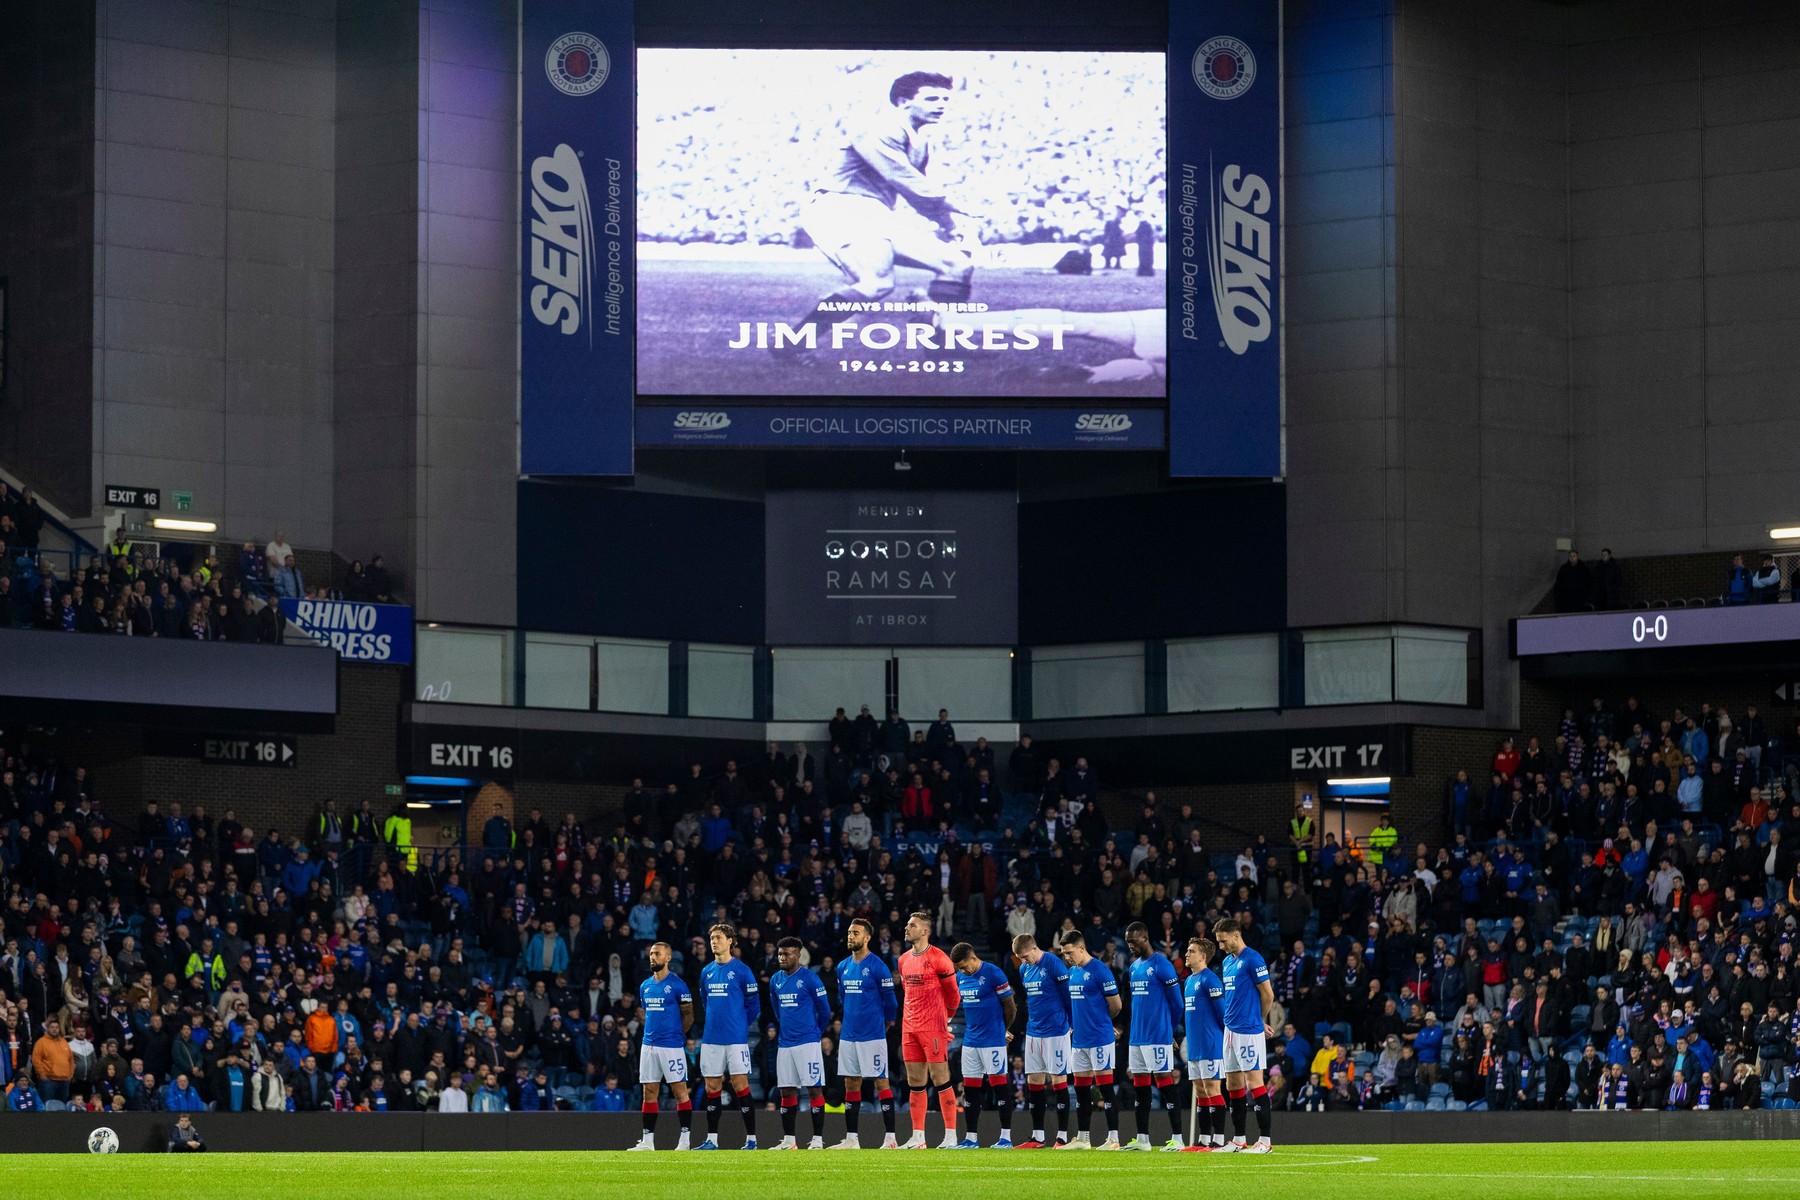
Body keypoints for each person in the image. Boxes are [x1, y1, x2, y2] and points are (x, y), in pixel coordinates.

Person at [783, 71, 975, 353]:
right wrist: (956, 205)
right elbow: (902, 178)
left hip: (875, 213)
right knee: (877, 283)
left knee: (957, 265)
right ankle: (792, 345)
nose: (941, 104)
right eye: (932, 98)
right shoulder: (880, 129)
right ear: (903, 102)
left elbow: (920, 196)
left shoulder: (920, 141)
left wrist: (952, 227)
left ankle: (942, 345)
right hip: (839, 208)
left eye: (946, 99)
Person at [896, 909, 962, 1150]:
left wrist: (945, 1019)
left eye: (911, 925)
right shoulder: (903, 960)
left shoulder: (939, 958)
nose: (906, 928)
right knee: (915, 1081)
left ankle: (951, 1135)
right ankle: (917, 1137)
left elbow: (954, 995)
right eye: (907, 924)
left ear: (924, 931)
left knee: (941, 1078)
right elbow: (907, 991)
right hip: (909, 1026)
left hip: (932, 1027)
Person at [832, 917, 900, 1149]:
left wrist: (886, 1024)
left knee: (881, 1083)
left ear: (868, 937)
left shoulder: (878, 966)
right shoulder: (842, 966)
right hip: (849, 1035)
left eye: (856, 933)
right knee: (851, 1085)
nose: (851, 936)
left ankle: (890, 1138)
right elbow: (842, 997)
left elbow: (891, 1003)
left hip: (872, 1036)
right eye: (850, 932)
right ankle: (851, 1139)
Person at [694, 923, 762, 1150]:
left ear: (731, 941)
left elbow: (753, 1004)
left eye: (719, 937)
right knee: (712, 1087)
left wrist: (740, 1024)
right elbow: (705, 1001)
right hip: (712, 1037)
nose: (714, 941)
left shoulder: (742, 970)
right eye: (712, 937)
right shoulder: (707, 972)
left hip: (735, 1038)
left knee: (740, 1084)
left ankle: (751, 1139)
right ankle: (711, 1140)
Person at [1122, 920, 1188, 1150]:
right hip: (1136, 1037)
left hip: (1157, 1036)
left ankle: (1178, 1139)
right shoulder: (1134, 967)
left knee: (1165, 1084)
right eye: (1127, 941)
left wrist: (1168, 1032)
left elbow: (1177, 1004)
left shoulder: (1162, 964)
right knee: (1140, 1086)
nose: (1130, 945)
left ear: (1145, 938)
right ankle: (1142, 1139)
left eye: (1133, 941)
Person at [1214, 918, 1274, 1153]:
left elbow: (1267, 994)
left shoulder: (1253, 958)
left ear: (1236, 935)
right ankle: (1239, 1139)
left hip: (1249, 1031)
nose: (1221, 946)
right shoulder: (1228, 962)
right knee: (1233, 1085)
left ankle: (1265, 1142)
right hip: (1229, 1030)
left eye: (1223, 941)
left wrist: (1259, 1020)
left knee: (1254, 1083)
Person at [629, 940, 695, 1152]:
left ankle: (685, 1140)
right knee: (649, 1092)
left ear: (668, 957)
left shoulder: (678, 985)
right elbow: (648, 1013)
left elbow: (689, 1016)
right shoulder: (645, 986)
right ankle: (648, 1142)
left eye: (657, 954)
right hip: (648, 1046)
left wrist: (675, 1036)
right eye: (651, 954)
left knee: (679, 1091)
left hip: (671, 1047)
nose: (653, 957)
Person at [1059, 930, 1122, 1150]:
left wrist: (1102, 1022)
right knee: (1082, 1091)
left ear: (1081, 948)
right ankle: (1083, 1139)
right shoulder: (1073, 972)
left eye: (1069, 952)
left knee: (1105, 1090)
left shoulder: (1100, 970)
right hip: (1079, 1042)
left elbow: (1116, 1005)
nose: (1067, 956)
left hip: (1099, 1039)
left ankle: (1113, 1139)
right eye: (1064, 953)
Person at [951, 942, 1017, 1149]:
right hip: (970, 1042)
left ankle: (1006, 1137)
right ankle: (971, 1138)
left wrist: (1003, 1030)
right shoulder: (960, 977)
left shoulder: (993, 973)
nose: (963, 971)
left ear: (973, 957)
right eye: (959, 968)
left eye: (964, 966)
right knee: (970, 1091)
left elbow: (1010, 1007)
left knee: (1000, 1089)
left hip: (992, 1042)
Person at [769, 936, 832, 1150]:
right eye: (779, 954)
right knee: (787, 1091)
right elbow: (776, 1009)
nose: (782, 957)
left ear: (798, 954)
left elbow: (824, 1010)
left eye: (786, 953)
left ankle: (817, 1140)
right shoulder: (775, 980)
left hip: (807, 1043)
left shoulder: (810, 978)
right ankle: (789, 1141)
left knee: (814, 1090)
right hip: (785, 1044)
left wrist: (816, 1032)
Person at [1014, 931, 1073, 1148]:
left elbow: (1067, 997)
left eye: (1025, 956)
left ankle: (1062, 1137)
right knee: (1034, 1083)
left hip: (1056, 1031)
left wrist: (1071, 1023)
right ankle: (1037, 1136)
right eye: (1020, 958)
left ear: (1034, 948)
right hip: (1033, 1032)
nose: (1024, 961)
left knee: (1058, 1082)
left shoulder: (1053, 964)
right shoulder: (1024, 969)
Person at [1181, 938, 1228, 1150]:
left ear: (1203, 956)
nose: (1187, 954)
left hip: (1210, 1043)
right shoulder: (1189, 981)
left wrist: (1222, 1039)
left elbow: (1222, 1014)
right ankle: (1203, 1140)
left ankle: (1218, 1140)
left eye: (1191, 951)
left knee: (1212, 1089)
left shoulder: (1211, 980)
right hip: (1195, 1045)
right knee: (1200, 1091)